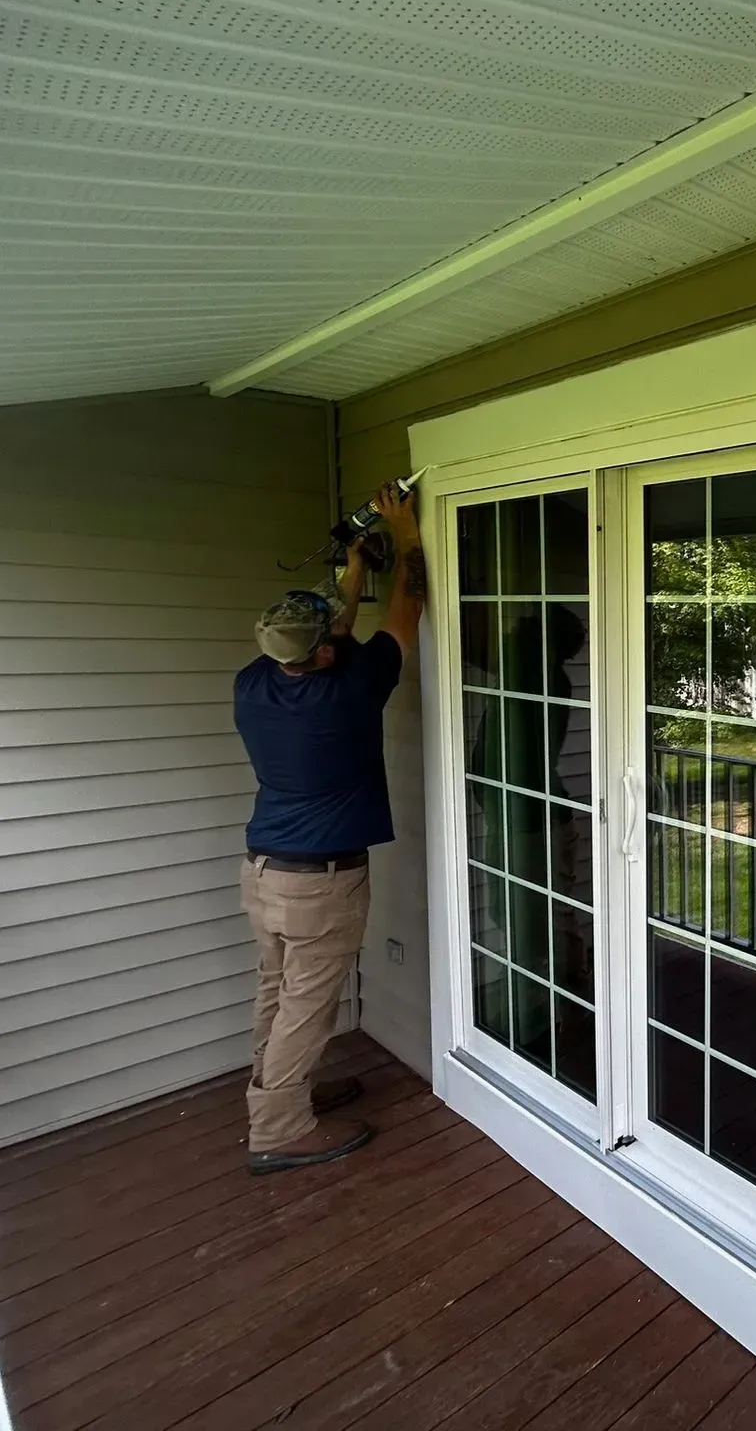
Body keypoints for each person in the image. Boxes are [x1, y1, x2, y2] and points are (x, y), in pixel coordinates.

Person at [233, 484, 426, 1174]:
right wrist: (406, 534)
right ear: (320, 654)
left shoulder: (254, 681)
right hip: (319, 884)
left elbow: (330, 629)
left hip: (264, 873)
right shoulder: (348, 692)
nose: (339, 632)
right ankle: (279, 1129)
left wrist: (353, 568)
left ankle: (277, 1095)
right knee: (306, 1006)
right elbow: (406, 609)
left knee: (277, 991)